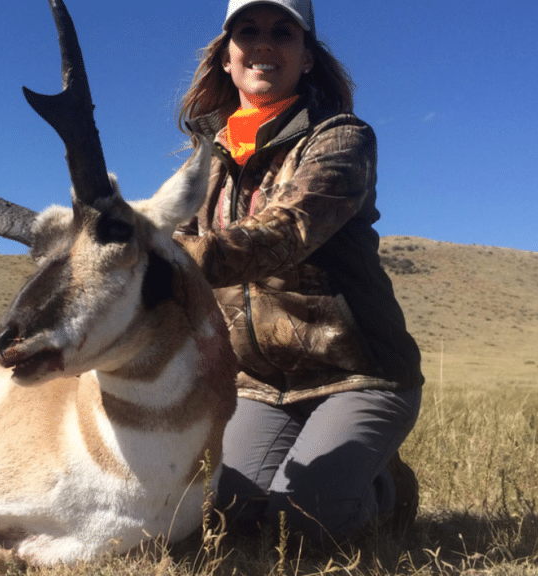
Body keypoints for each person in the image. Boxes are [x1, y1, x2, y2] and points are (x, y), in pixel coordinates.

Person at [173, 0, 425, 546]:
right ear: (226, 57)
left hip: (359, 375)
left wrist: (159, 254)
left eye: (283, 33)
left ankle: (386, 488)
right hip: (260, 386)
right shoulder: (206, 161)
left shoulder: (341, 139)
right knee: (218, 525)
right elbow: (171, 238)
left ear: (306, 57)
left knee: (300, 528)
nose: (264, 43)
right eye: (249, 31)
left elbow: (284, 232)